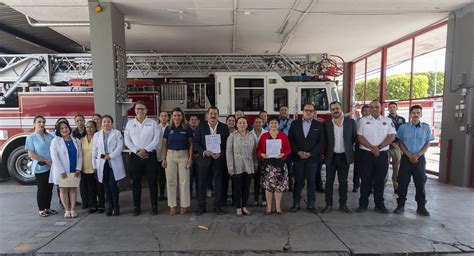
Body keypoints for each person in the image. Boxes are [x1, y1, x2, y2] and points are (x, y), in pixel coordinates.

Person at [356, 100, 396, 214]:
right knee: (365, 180)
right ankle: (363, 204)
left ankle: (379, 205)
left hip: (382, 154)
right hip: (366, 154)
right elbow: (359, 137)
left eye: (376, 107)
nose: (374, 109)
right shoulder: (363, 121)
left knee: (380, 180)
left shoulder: (388, 121)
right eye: (372, 107)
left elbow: (392, 136)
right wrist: (372, 148)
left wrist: (378, 147)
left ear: (381, 108)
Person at [394, 105, 433, 216]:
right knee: (402, 183)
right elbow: (400, 142)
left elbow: (427, 143)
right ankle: (400, 206)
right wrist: (409, 155)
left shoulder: (426, 128)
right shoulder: (403, 128)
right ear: (410, 114)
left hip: (419, 159)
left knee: (420, 183)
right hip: (406, 158)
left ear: (421, 114)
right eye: (413, 113)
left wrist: (418, 155)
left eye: (418, 113)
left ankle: (421, 207)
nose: (415, 115)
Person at [124, 101, 161, 216]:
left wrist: (146, 150)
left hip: (150, 155)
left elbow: (156, 139)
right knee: (136, 183)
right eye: (137, 108)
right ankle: (136, 207)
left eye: (142, 108)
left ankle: (154, 206)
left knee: (152, 182)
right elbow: (127, 140)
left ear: (146, 110)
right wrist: (137, 151)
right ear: (135, 110)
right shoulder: (130, 123)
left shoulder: (152, 122)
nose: (140, 110)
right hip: (135, 156)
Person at [289, 103, 325, 213]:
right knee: (298, 182)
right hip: (298, 158)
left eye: (311, 111)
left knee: (312, 182)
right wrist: (298, 152)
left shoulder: (318, 125)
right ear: (302, 111)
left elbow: (321, 142)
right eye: (306, 110)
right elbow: (291, 140)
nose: (308, 112)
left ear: (314, 112)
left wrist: (311, 153)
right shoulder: (295, 124)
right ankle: (296, 204)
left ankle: (311, 204)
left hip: (312, 159)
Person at [321, 102, 357, 214]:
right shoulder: (326, 123)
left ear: (341, 108)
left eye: (337, 108)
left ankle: (343, 204)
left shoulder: (350, 122)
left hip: (344, 157)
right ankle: (328, 204)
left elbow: (353, 138)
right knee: (329, 182)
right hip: (331, 157)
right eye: (333, 109)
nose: (335, 110)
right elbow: (324, 140)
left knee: (343, 182)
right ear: (330, 111)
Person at [194, 106, 230, 215]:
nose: (213, 115)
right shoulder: (201, 126)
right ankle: (201, 206)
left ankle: (217, 206)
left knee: (218, 184)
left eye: (215, 113)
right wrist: (205, 152)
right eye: (211, 113)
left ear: (218, 115)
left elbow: (227, 144)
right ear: (207, 115)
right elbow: (196, 142)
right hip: (204, 159)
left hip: (218, 160)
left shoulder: (224, 127)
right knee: (202, 184)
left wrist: (221, 153)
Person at [162, 108, 193, 215]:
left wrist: (190, 158)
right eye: (174, 115)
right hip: (170, 155)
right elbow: (164, 144)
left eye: (179, 115)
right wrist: (164, 158)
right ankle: (172, 205)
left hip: (183, 155)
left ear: (182, 116)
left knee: (184, 182)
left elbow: (191, 144)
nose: (176, 117)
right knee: (171, 181)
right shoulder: (168, 128)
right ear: (172, 117)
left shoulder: (187, 128)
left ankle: (184, 205)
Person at [92, 115, 126, 216]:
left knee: (112, 184)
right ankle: (110, 207)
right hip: (102, 163)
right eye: (104, 122)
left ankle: (116, 206)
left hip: (113, 161)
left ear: (112, 123)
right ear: (101, 123)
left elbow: (120, 147)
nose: (106, 124)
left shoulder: (117, 133)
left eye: (108, 122)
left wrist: (110, 156)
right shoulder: (97, 135)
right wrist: (94, 164)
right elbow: (95, 151)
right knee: (106, 186)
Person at [257, 116, 291, 215]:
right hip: (268, 165)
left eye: (275, 123)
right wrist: (261, 154)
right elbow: (258, 149)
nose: (273, 125)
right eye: (271, 123)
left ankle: (278, 207)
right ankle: (269, 207)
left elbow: (288, 149)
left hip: (280, 164)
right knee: (268, 187)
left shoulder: (283, 136)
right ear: (268, 124)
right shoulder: (264, 136)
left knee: (278, 187)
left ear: (278, 124)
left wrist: (283, 154)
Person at [50, 120, 82, 218]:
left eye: (66, 127)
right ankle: (66, 210)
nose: (64, 130)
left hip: (73, 169)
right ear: (59, 131)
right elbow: (54, 157)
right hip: (62, 170)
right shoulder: (56, 141)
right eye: (62, 128)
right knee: (63, 189)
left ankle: (72, 209)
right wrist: (61, 171)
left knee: (72, 189)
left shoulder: (76, 140)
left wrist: (78, 168)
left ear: (69, 128)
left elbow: (80, 155)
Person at [25, 116, 57, 217]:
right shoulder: (31, 137)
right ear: (34, 124)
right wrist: (44, 160)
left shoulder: (50, 136)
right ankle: (41, 209)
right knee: (42, 188)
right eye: (39, 122)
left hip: (51, 167)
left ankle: (47, 207)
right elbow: (31, 154)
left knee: (49, 189)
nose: (42, 124)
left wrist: (53, 160)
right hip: (40, 167)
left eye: (43, 122)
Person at [226, 117, 257, 216]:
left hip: (249, 164)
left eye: (244, 123)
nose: (242, 124)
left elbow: (255, 152)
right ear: (237, 124)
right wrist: (230, 166)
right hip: (237, 164)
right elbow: (229, 152)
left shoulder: (252, 135)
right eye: (240, 123)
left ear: (247, 124)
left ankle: (244, 206)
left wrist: (255, 164)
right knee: (237, 187)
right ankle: (238, 207)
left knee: (246, 187)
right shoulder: (232, 136)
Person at [80, 120, 100, 214]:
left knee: (96, 187)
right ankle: (91, 204)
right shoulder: (82, 140)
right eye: (87, 127)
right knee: (88, 187)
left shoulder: (98, 138)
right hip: (84, 167)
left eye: (91, 127)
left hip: (95, 167)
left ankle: (97, 205)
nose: (89, 129)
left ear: (95, 128)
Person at [387, 102, 406, 191]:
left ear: (397, 108)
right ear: (388, 109)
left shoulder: (402, 119)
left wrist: (398, 144)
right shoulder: (385, 119)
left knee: (397, 168)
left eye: (394, 107)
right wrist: (391, 143)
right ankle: (382, 186)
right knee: (384, 167)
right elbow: (384, 134)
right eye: (390, 107)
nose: (392, 109)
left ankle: (396, 186)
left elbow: (403, 133)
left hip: (398, 146)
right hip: (387, 146)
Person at [250, 116, 267, 206]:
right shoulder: (250, 133)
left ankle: (264, 199)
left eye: (260, 122)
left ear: (263, 123)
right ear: (253, 124)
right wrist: (254, 162)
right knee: (256, 181)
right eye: (256, 122)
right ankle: (256, 199)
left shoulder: (267, 133)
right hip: (254, 159)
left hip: (264, 160)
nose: (258, 124)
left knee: (264, 181)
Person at [353, 105, 370, 192]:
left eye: (368, 111)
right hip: (359, 146)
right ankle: (356, 185)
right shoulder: (357, 122)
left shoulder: (373, 122)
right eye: (365, 111)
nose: (367, 113)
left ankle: (369, 186)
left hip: (369, 147)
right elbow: (355, 135)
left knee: (369, 167)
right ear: (362, 112)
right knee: (357, 166)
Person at [223, 115, 237, 205]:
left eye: (233, 121)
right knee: (224, 180)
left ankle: (235, 199)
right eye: (229, 120)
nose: (231, 122)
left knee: (235, 181)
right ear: (226, 121)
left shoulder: (237, 132)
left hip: (234, 160)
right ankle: (223, 199)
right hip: (223, 159)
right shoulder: (222, 131)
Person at [156, 111, 169, 201]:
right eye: (162, 116)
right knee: (161, 176)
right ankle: (161, 193)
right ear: (159, 118)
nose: (164, 117)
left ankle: (170, 194)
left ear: (168, 118)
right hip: (159, 155)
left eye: (165, 116)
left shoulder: (171, 127)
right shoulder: (156, 128)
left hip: (170, 155)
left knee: (170, 176)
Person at [312, 111, 325, 193]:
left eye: (314, 113)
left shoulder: (321, 124)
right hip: (308, 151)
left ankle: (319, 186)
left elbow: (323, 139)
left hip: (318, 151)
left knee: (318, 170)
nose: (313, 115)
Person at [188, 115, 200, 198]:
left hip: (200, 157)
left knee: (199, 177)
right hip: (189, 157)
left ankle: (199, 194)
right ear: (189, 122)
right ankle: (189, 194)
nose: (193, 121)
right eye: (191, 119)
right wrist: (191, 155)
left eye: (195, 119)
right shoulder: (186, 131)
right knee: (189, 177)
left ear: (198, 121)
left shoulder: (201, 131)